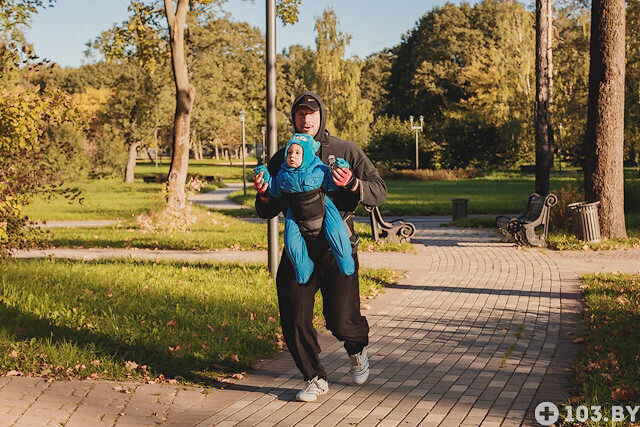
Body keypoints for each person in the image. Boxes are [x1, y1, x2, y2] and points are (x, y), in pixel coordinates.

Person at [254, 91, 387, 402]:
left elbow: (379, 191)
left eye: (311, 114)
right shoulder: (284, 156)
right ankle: (314, 377)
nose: (306, 119)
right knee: (294, 317)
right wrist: (263, 194)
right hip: (299, 247)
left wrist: (353, 183)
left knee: (341, 320)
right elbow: (266, 209)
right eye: (300, 114)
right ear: (293, 118)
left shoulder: (345, 150)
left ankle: (356, 348)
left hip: (337, 246)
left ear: (321, 116)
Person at [253, 133, 355, 284]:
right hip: (295, 213)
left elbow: (330, 184)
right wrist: (265, 178)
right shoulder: (283, 174)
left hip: (323, 207)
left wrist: (341, 169)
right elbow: (276, 190)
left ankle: (345, 260)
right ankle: (303, 267)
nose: (292, 156)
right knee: (291, 242)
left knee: (336, 232)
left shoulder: (319, 169)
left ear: (306, 155)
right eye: (289, 152)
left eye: (297, 153)